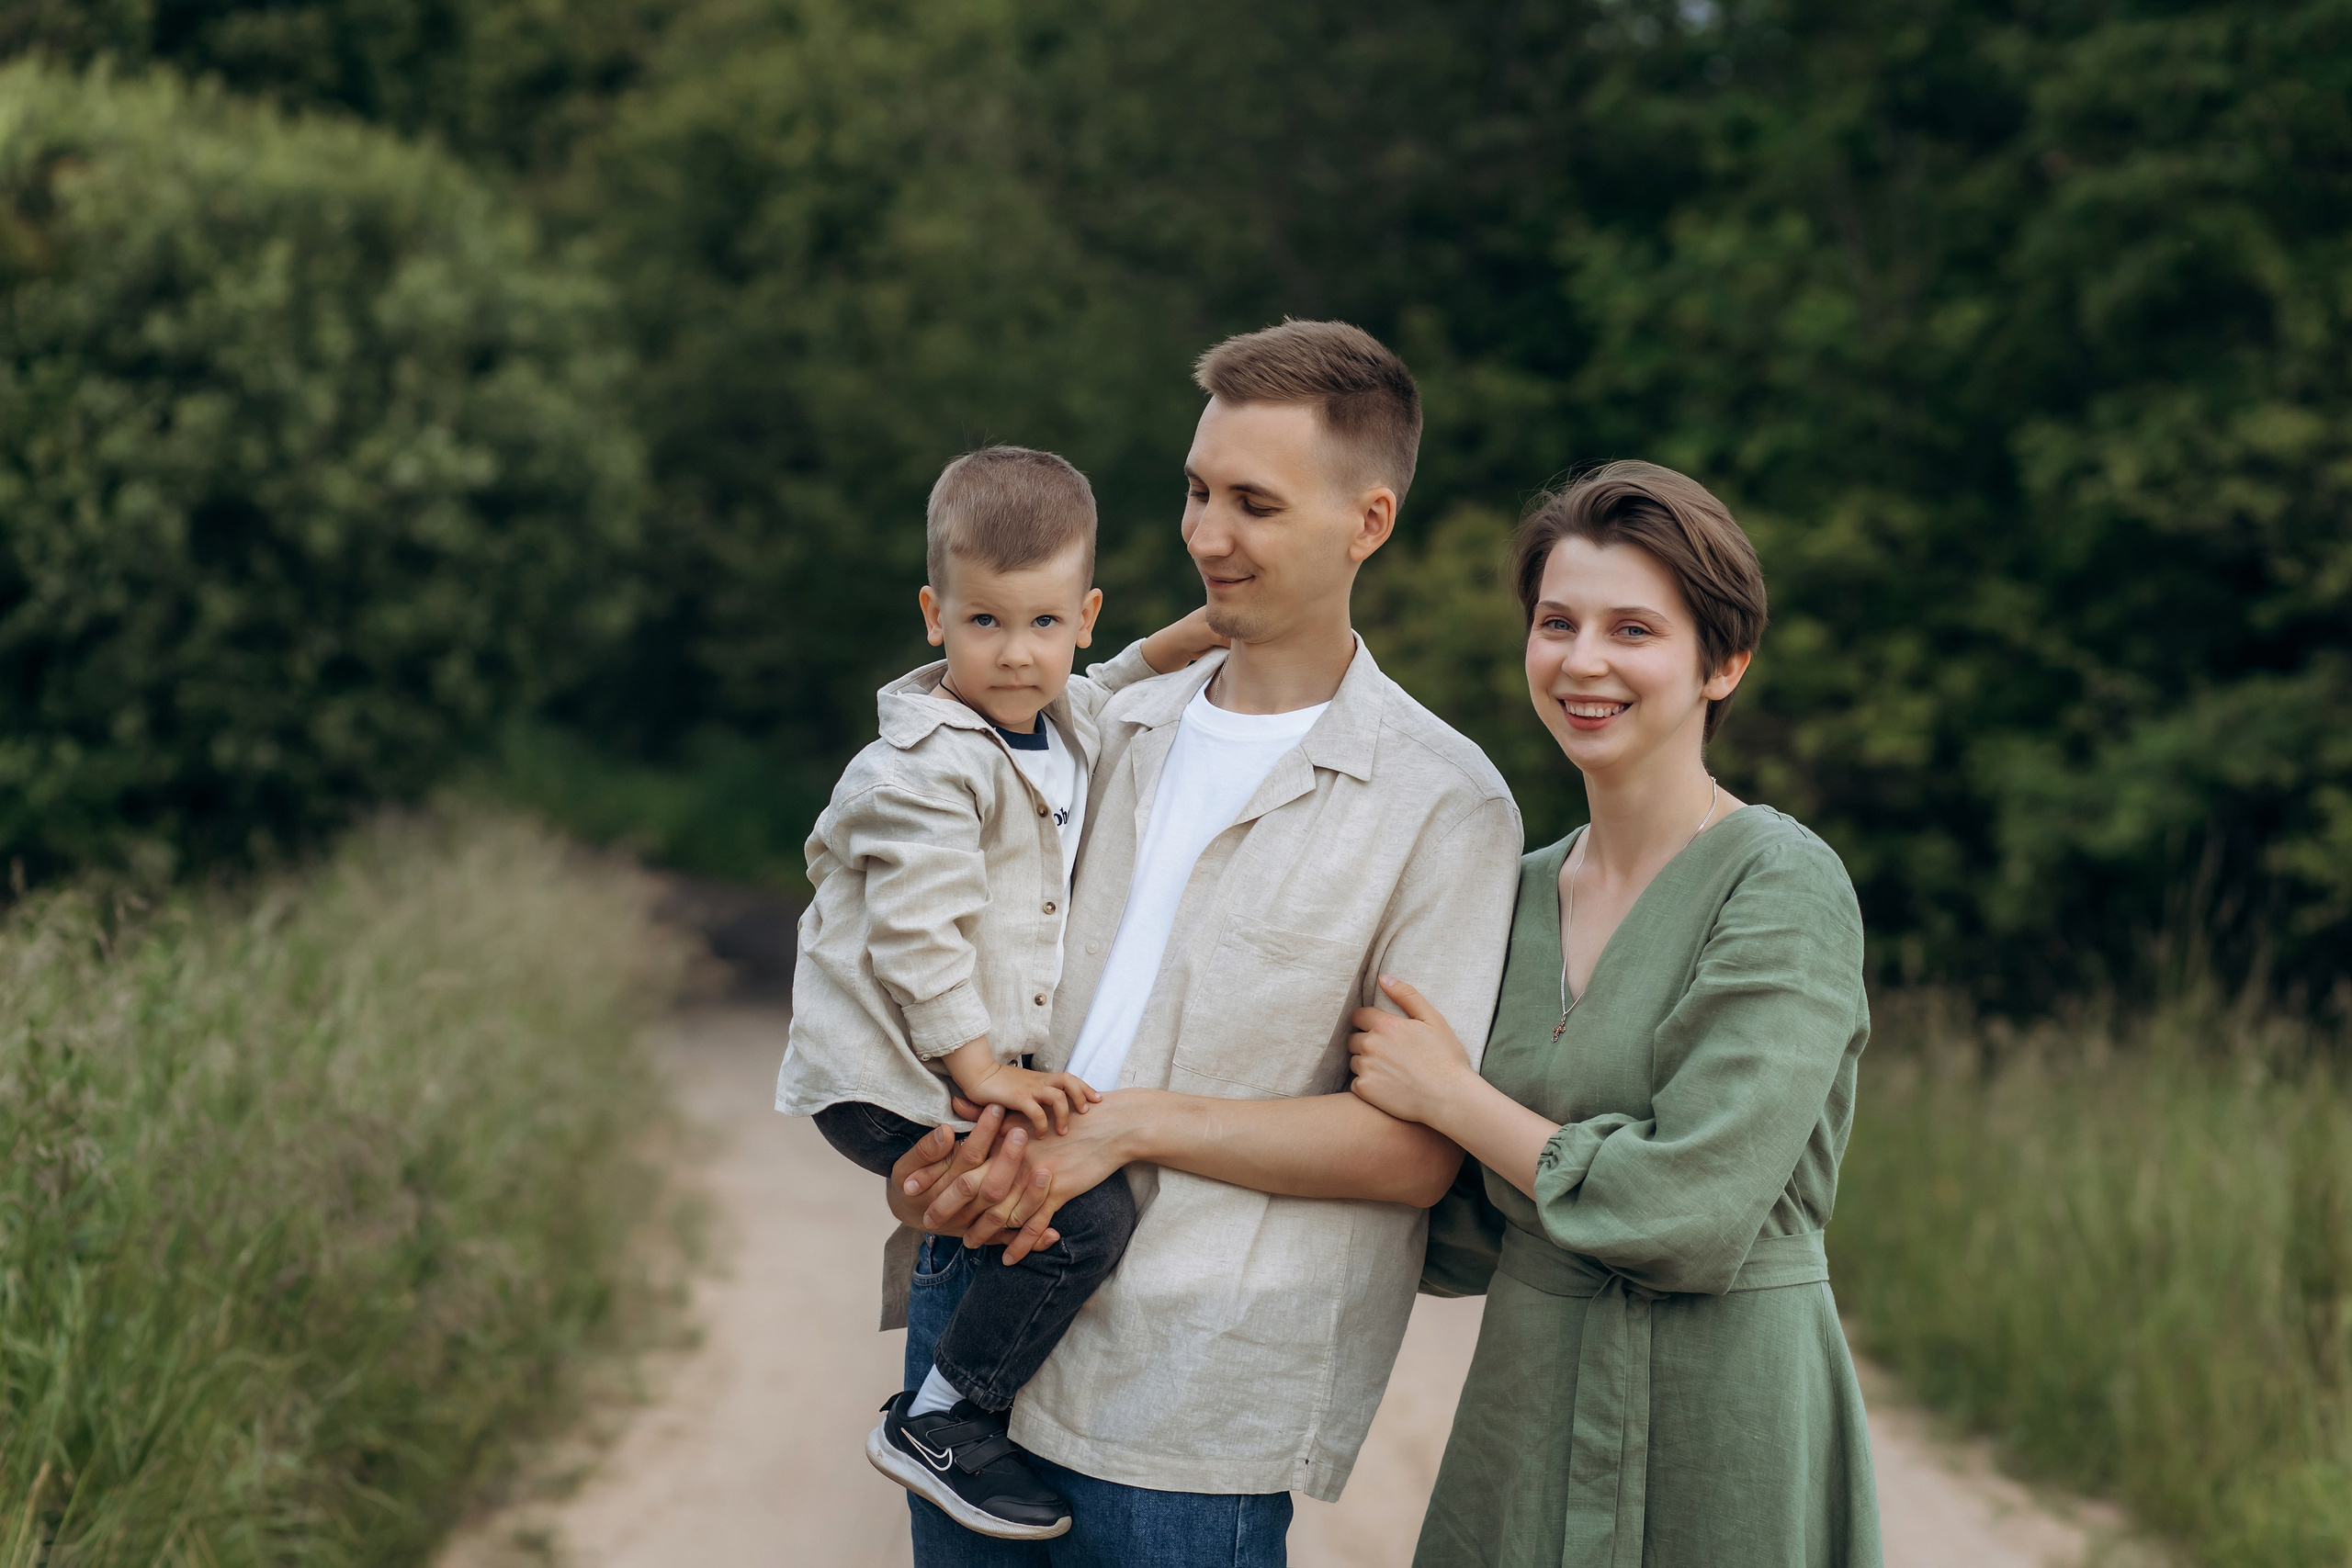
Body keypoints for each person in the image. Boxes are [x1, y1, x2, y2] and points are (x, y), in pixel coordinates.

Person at [883, 320, 1525, 1568]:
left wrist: (1130, 1123)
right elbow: (927, 919)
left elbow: (1410, 1152)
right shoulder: (1097, 721)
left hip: (1188, 1391)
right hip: (973, 1302)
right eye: (1194, 489)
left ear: (1369, 523)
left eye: (1253, 503)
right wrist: (927, 1138)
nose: (1205, 533)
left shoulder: (1443, 803)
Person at [1343, 460, 1883, 1567]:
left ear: (1721, 663)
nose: (1582, 661)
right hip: (1528, 1416)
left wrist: (1454, 1096)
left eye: (1632, 629)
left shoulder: (1781, 883)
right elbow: (1446, 1230)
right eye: (1557, 623)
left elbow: (1689, 1209)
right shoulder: (1509, 889)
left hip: (1727, 1422)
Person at [776, 446, 1226, 1539]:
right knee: (1084, 1218)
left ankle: (949, 1410)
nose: (1016, 655)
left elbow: (1116, 676)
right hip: (892, 1071)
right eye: (984, 624)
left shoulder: (1059, 713)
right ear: (935, 614)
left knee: (1046, 1214)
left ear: (1082, 616)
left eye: (1043, 625)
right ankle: (941, 1418)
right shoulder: (926, 768)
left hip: (943, 1065)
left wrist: (1223, 622)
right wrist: (980, 1076)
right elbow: (917, 940)